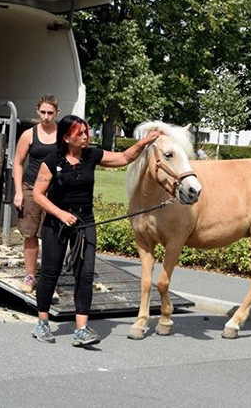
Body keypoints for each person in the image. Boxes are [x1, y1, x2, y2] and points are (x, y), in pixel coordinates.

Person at [31, 115, 160, 346]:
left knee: (85, 274)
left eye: (86, 132)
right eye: (80, 133)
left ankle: (81, 329)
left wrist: (144, 143)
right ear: (67, 137)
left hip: (85, 222)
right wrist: (60, 214)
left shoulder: (92, 155)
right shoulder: (52, 160)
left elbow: (123, 158)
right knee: (51, 272)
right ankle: (42, 322)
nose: (85, 136)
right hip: (56, 223)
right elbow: (38, 194)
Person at [12, 95, 59, 293]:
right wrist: (18, 192)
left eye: (50, 113)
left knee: (51, 235)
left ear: (57, 112)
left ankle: (48, 277)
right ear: (37, 111)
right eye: (43, 112)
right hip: (31, 187)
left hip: (54, 190)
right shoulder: (29, 134)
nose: (46, 117)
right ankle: (30, 275)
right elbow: (18, 162)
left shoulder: (63, 134)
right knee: (30, 233)